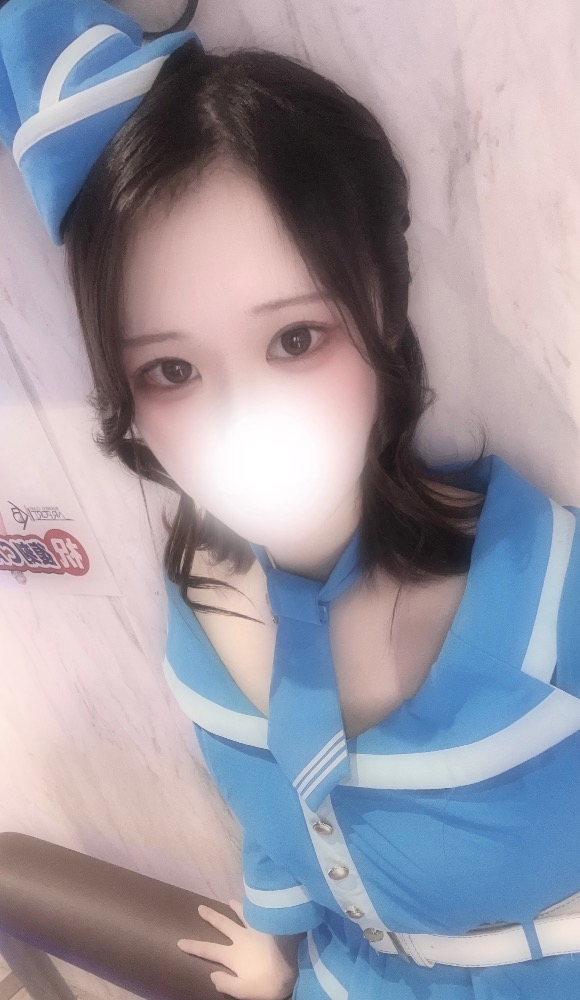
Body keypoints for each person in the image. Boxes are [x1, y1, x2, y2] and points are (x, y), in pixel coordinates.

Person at [2, 2, 580, 998]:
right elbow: (272, 817)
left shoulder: (550, 600)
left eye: (295, 339)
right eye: (172, 369)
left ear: (380, 304)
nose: (241, 420)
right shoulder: (199, 614)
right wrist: (274, 945)